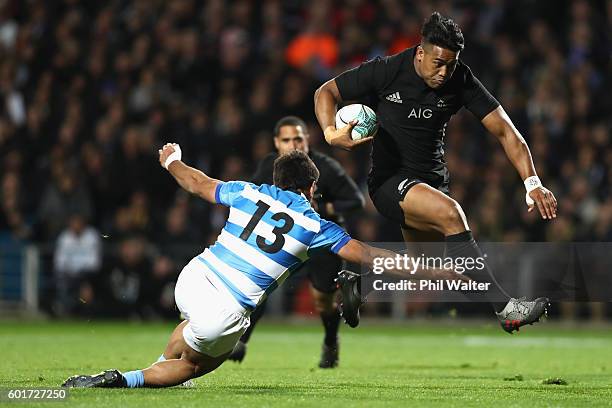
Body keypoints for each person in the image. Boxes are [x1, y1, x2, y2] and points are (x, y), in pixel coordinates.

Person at [62, 146, 460, 388]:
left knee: (188, 332)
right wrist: (431, 268)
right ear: (309, 189)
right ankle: (126, 379)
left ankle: (151, 368)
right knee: (199, 364)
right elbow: (372, 256)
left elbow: (198, 183)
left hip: (193, 277)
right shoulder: (315, 226)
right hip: (227, 310)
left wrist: (172, 162)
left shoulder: (248, 191)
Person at [314, 12, 555, 333]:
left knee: (431, 271)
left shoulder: (461, 80)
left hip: (432, 184)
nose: (443, 73)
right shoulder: (387, 70)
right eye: (438, 63)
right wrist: (331, 133)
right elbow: (324, 93)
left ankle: (360, 285)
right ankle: (507, 309)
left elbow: (506, 132)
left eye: (450, 65)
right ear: (420, 52)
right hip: (390, 182)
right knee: (453, 215)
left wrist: (532, 182)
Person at [227, 116, 365, 368]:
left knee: (322, 299)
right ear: (277, 143)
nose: (293, 144)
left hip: (321, 242)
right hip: (286, 239)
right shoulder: (269, 165)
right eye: (287, 139)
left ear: (307, 140)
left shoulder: (325, 166)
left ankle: (331, 341)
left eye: (298, 138)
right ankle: (241, 341)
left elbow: (356, 201)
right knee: (260, 283)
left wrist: (323, 206)